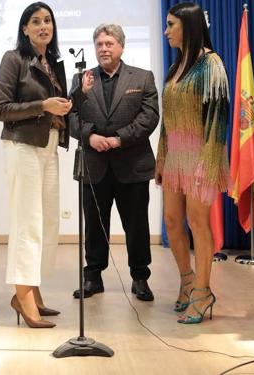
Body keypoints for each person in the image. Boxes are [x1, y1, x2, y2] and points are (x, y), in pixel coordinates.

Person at [0, 1, 71, 328]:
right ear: (25, 28)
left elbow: (57, 105)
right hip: (22, 145)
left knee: (48, 221)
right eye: (36, 21)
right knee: (28, 221)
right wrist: (43, 105)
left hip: (48, 144)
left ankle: (33, 288)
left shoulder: (52, 62)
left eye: (48, 20)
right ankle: (21, 295)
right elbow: (1, 108)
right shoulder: (14, 60)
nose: (43, 26)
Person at [70, 24, 159, 302]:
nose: (104, 48)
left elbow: (149, 117)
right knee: (94, 224)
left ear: (121, 46)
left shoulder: (143, 78)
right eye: (99, 44)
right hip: (93, 164)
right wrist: (90, 136)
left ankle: (140, 278)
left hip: (132, 163)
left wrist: (120, 139)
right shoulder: (80, 79)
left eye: (109, 43)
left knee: (136, 224)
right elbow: (70, 117)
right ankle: (93, 277)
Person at [155, 2, 230, 324]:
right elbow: (168, 119)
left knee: (199, 223)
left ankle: (203, 291)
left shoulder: (211, 64)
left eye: (171, 25)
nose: (166, 31)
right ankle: (186, 280)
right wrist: (161, 158)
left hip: (202, 156)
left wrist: (208, 163)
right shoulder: (176, 67)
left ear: (189, 25)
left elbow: (218, 119)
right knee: (173, 222)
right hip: (175, 158)